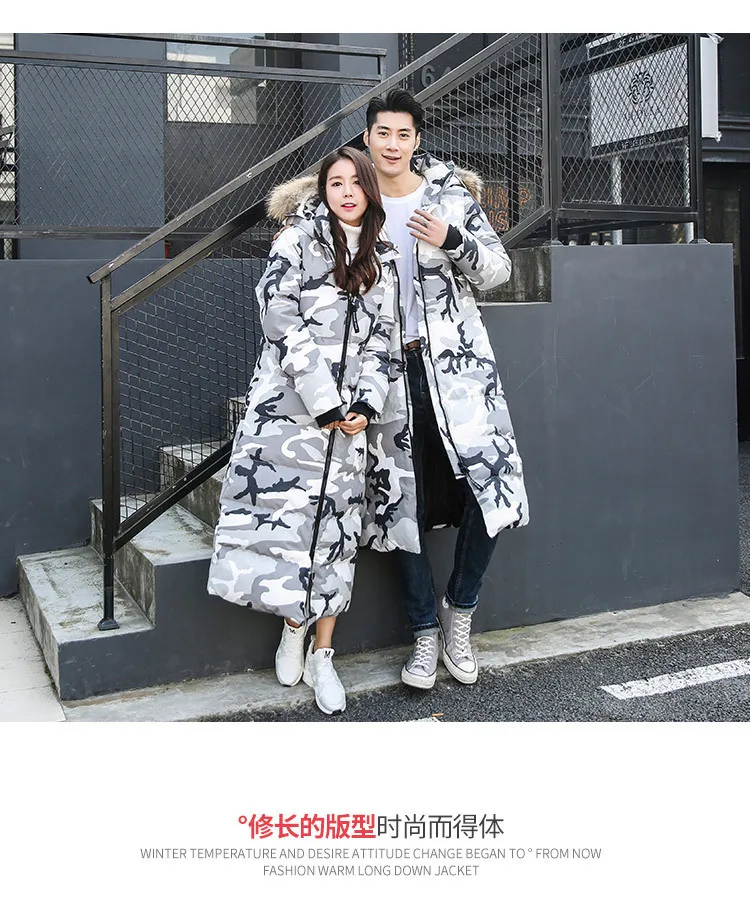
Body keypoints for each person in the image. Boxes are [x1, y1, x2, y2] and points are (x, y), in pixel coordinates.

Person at [270, 88, 529, 692]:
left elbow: (499, 270)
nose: (392, 145)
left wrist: (452, 238)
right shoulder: (347, 194)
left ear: (416, 139)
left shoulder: (449, 194)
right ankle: (424, 632)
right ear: (368, 137)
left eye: (403, 134)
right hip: (380, 372)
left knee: (489, 486)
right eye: (382, 133)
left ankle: (459, 611)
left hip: (458, 368)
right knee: (399, 503)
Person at [207, 146, 402, 715]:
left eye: (355, 182)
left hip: (349, 426)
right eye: (334, 183)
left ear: (369, 190)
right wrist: (324, 401)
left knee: (336, 533)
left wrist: (365, 402)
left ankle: (323, 654)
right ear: (323, 190)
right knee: (291, 528)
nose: (346, 192)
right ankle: (293, 626)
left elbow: (384, 339)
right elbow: (279, 319)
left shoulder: (383, 255)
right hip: (289, 415)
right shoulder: (294, 241)